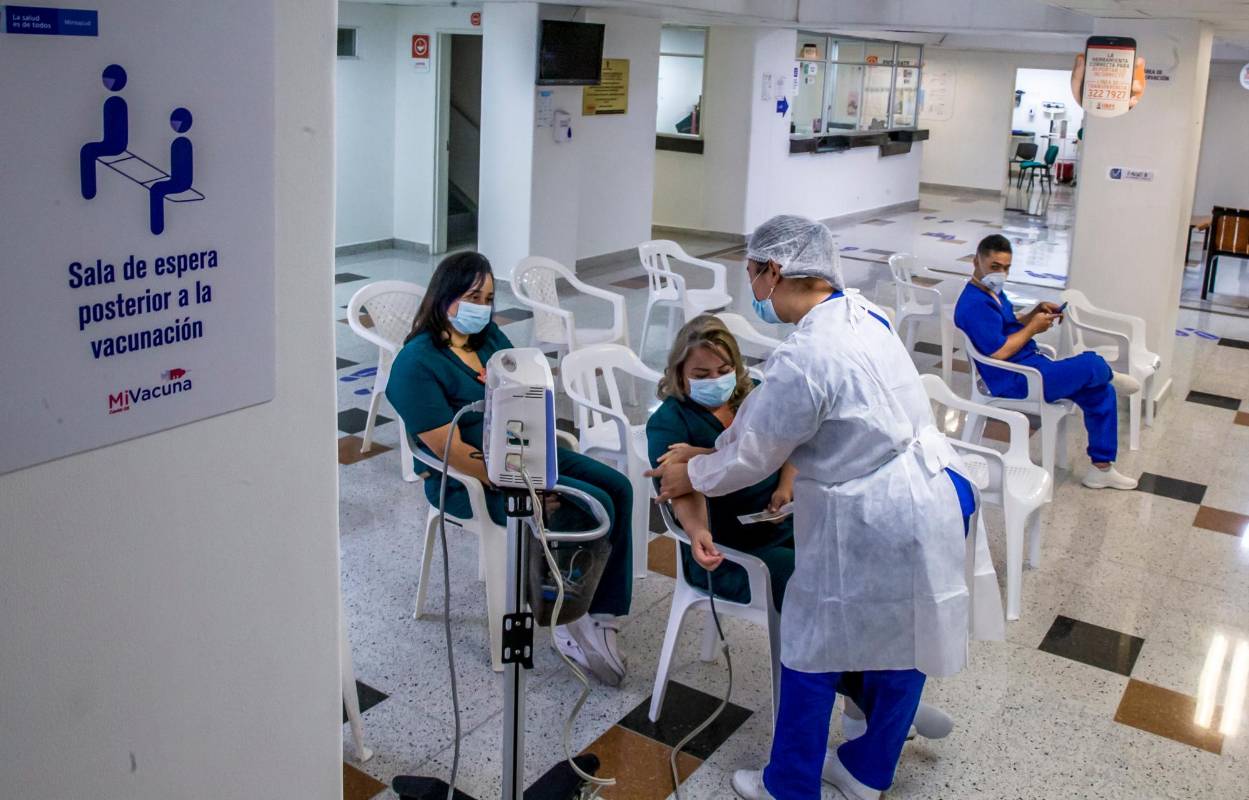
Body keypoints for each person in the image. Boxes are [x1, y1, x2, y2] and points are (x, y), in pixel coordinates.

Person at [647, 215, 976, 800]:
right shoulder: (863, 314)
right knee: (904, 631)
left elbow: (751, 454)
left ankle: (790, 784)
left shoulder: (804, 358)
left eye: (751, 274)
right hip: (934, 489)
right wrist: (710, 452)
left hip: (877, 509)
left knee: (810, 643)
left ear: (773, 271)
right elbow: (769, 432)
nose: (752, 290)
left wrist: (693, 468)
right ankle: (867, 769)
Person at [385, 252, 633, 686]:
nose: (482, 305)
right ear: (445, 296)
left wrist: (540, 455)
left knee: (618, 487)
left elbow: (527, 393)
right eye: (472, 296)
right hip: (470, 480)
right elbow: (452, 452)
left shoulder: (489, 340)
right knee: (591, 505)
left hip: (525, 452)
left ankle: (602, 612)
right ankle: (563, 608)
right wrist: (525, 486)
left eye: (488, 296)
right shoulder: (416, 364)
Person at [953, 234, 1140, 490]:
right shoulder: (974, 304)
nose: (1001, 273)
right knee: (1091, 364)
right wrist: (1032, 330)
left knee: (1100, 392)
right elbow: (998, 352)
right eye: (994, 266)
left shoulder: (993, 293)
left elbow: (1008, 327)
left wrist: (1033, 314)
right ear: (976, 261)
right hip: (1015, 380)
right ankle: (1107, 373)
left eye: (1006, 268)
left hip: (1033, 366)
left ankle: (1101, 468)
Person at [646, 314, 797, 611]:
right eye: (701, 375)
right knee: (807, 582)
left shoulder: (751, 393)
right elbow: (682, 487)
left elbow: (790, 440)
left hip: (784, 525)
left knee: (847, 562)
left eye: (724, 370)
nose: (715, 381)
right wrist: (698, 531)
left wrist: (785, 487)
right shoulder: (669, 422)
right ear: (679, 374)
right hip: (729, 549)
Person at [80, 64, 128, 200]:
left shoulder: (115, 103)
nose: (107, 83)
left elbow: (116, 132)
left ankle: (89, 191)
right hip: (112, 142)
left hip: (115, 144)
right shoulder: (112, 103)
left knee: (88, 151)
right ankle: (88, 191)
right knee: (87, 150)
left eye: (109, 80)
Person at [149, 107, 194, 235]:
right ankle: (157, 229)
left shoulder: (182, 144)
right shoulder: (179, 144)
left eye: (177, 122)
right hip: (179, 181)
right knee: (156, 188)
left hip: (182, 183)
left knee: (156, 189)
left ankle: (157, 228)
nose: (175, 125)